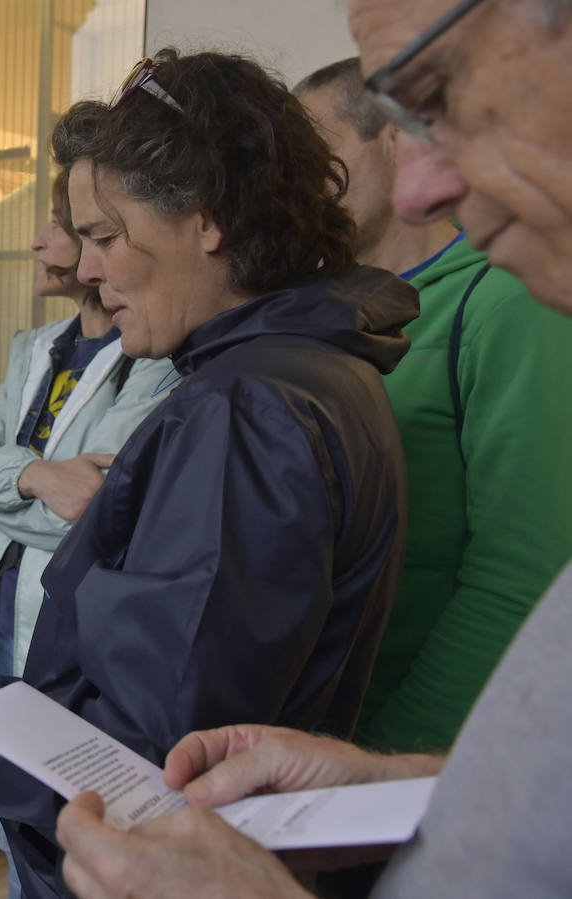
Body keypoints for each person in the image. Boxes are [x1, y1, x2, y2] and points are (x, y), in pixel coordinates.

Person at [0, 50, 419, 898]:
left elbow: (138, 759)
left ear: (205, 217)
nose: (85, 270)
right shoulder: (303, 376)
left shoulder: (243, 413)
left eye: (104, 235)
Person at [51, 2, 572, 896]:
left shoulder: (269, 392)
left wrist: (382, 767)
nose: (419, 187)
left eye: (435, 96)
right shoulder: (311, 358)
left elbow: (513, 582)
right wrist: (392, 783)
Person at [295, 58, 572, 754]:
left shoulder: (505, 298)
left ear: (397, 138)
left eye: (318, 159)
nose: (298, 189)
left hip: (413, 746)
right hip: (321, 731)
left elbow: (521, 576)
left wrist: (391, 754)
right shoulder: (317, 315)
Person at [0, 166, 177, 897]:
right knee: (15, 816)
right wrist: (39, 476)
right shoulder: (34, 347)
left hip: (65, 629)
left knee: (67, 825)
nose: (39, 241)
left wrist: (5, 482)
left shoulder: (154, 359)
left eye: (62, 229)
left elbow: (100, 506)